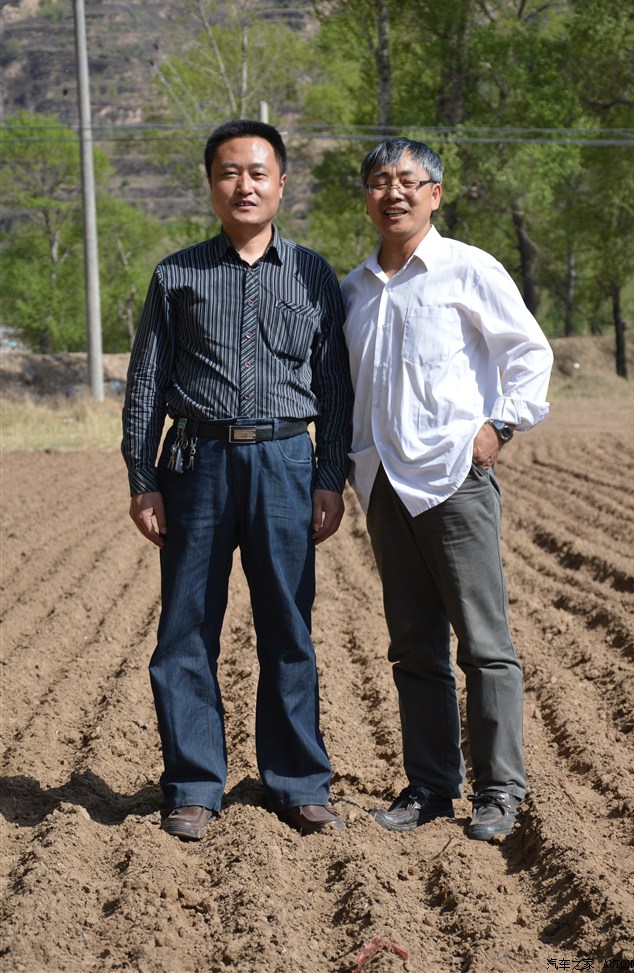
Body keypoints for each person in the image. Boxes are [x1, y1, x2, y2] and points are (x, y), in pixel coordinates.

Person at [121, 119, 353, 841]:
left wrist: (330, 474)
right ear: (211, 184)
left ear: (282, 183)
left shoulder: (314, 273)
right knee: (186, 629)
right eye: (229, 172)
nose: (244, 185)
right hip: (195, 464)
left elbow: (336, 387)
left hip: (286, 462)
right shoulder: (177, 274)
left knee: (289, 624)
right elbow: (146, 386)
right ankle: (193, 783)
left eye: (258, 172)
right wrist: (142, 475)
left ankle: (298, 783)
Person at [341, 138, 553, 841]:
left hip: (455, 481)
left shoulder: (468, 268)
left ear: (435, 193)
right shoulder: (353, 288)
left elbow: (528, 351)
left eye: (408, 181)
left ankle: (498, 790)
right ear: (366, 196)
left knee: (485, 645)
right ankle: (431, 785)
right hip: (383, 485)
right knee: (412, 647)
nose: (392, 192)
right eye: (379, 181)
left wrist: (498, 427)